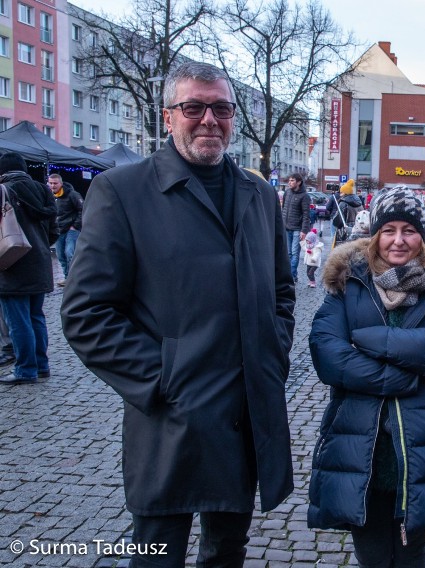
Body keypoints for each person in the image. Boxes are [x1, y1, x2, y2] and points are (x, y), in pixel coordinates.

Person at [60, 61, 296, 567]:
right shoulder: (122, 191)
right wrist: (164, 377)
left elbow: (281, 289)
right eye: (194, 107)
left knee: (227, 549)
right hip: (172, 418)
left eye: (222, 108)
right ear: (169, 117)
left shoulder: (260, 194)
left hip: (245, 413)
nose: (209, 119)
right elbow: (85, 313)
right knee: (156, 554)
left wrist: (271, 351)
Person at [307, 186, 425, 567]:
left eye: (409, 230)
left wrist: (369, 339)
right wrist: (402, 376)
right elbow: (327, 353)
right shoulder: (348, 281)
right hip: (359, 448)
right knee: (371, 555)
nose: (398, 240)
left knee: (412, 555)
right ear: (375, 232)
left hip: (423, 450)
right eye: (389, 230)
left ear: (423, 233)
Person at [0, 152, 58, 385]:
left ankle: (26, 369)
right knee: (36, 316)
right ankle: (41, 365)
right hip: (40, 261)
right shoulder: (44, 190)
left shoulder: (4, 190)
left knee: (18, 321)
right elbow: (54, 229)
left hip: (12, 263)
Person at [47, 173, 84, 286]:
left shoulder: (72, 195)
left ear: (61, 183)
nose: (53, 186)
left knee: (69, 252)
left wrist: (76, 225)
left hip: (71, 229)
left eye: (55, 183)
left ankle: (75, 277)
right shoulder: (50, 196)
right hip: (59, 230)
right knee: (60, 255)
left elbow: (82, 209)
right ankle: (68, 277)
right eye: (51, 183)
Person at [282, 172, 311, 282]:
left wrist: (304, 230)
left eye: (292, 180)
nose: (290, 182)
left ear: (299, 182)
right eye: (289, 180)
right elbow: (283, 209)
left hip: (297, 229)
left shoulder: (304, 196)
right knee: (288, 253)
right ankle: (291, 273)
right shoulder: (287, 193)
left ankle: (291, 275)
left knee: (294, 253)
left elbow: (306, 214)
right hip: (286, 227)